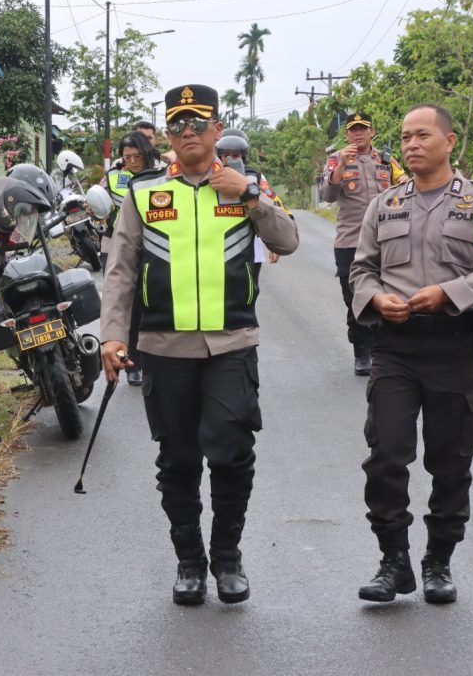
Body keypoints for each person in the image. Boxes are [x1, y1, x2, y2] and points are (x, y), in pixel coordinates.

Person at [101, 84, 298, 606]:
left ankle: (228, 558)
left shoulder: (246, 185)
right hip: (164, 348)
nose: (188, 133)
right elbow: (120, 270)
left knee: (232, 451)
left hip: (231, 342)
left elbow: (288, 241)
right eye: (177, 125)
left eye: (198, 124)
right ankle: (189, 562)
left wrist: (249, 196)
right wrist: (113, 335)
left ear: (217, 130)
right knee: (178, 458)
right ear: (167, 135)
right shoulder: (143, 192)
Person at [349, 103, 473, 605]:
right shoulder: (384, 204)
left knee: (450, 462)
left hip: (453, 348)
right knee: (385, 457)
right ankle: (393, 561)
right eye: (405, 137)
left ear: (449, 140)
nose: (411, 144)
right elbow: (361, 271)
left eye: (422, 135)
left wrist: (450, 292)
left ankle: (439, 559)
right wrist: (376, 298)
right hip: (395, 349)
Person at [321, 112, 406, 376]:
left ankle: (384, 350)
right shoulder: (337, 159)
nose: (358, 133)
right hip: (350, 241)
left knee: (387, 294)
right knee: (355, 298)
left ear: (372, 132)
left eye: (363, 129)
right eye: (353, 130)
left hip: (386, 240)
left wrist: (403, 183)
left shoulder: (387, 160)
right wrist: (340, 168)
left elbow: (405, 186)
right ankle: (362, 352)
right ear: (346, 134)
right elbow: (327, 195)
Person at [100, 131, 161, 386]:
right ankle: (131, 362)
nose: (133, 162)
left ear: (146, 152)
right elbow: (97, 201)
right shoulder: (113, 176)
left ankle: (152, 359)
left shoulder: (162, 176)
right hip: (117, 243)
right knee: (128, 307)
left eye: (137, 156)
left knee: (150, 304)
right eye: (127, 157)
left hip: (153, 247)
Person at [215, 128, 291, 275]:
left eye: (236, 155)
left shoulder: (255, 178)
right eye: (226, 155)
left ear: (244, 156)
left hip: (249, 246)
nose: (231, 159)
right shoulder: (211, 178)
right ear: (219, 155)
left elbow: (275, 207)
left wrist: (273, 244)